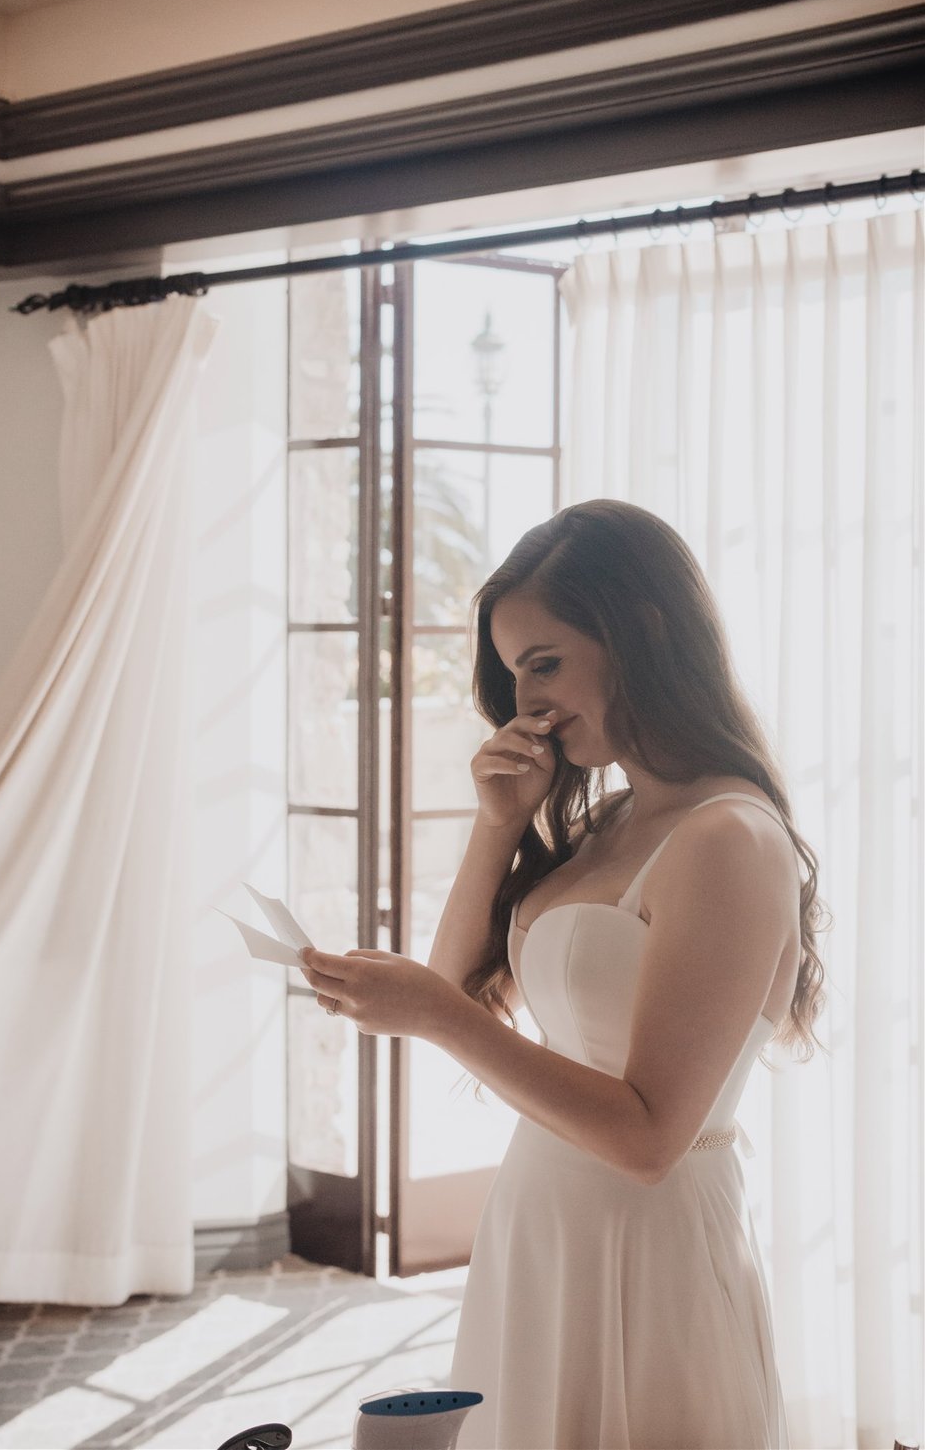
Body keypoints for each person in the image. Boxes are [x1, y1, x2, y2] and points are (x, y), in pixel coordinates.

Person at [300, 498, 829, 1449]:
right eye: (512, 677)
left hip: (648, 1248)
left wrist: (434, 1012)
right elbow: (456, 991)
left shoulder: (729, 839)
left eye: (543, 663)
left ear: (643, 627)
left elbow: (649, 1136)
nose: (525, 704)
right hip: (542, 1222)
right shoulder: (613, 822)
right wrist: (498, 823)